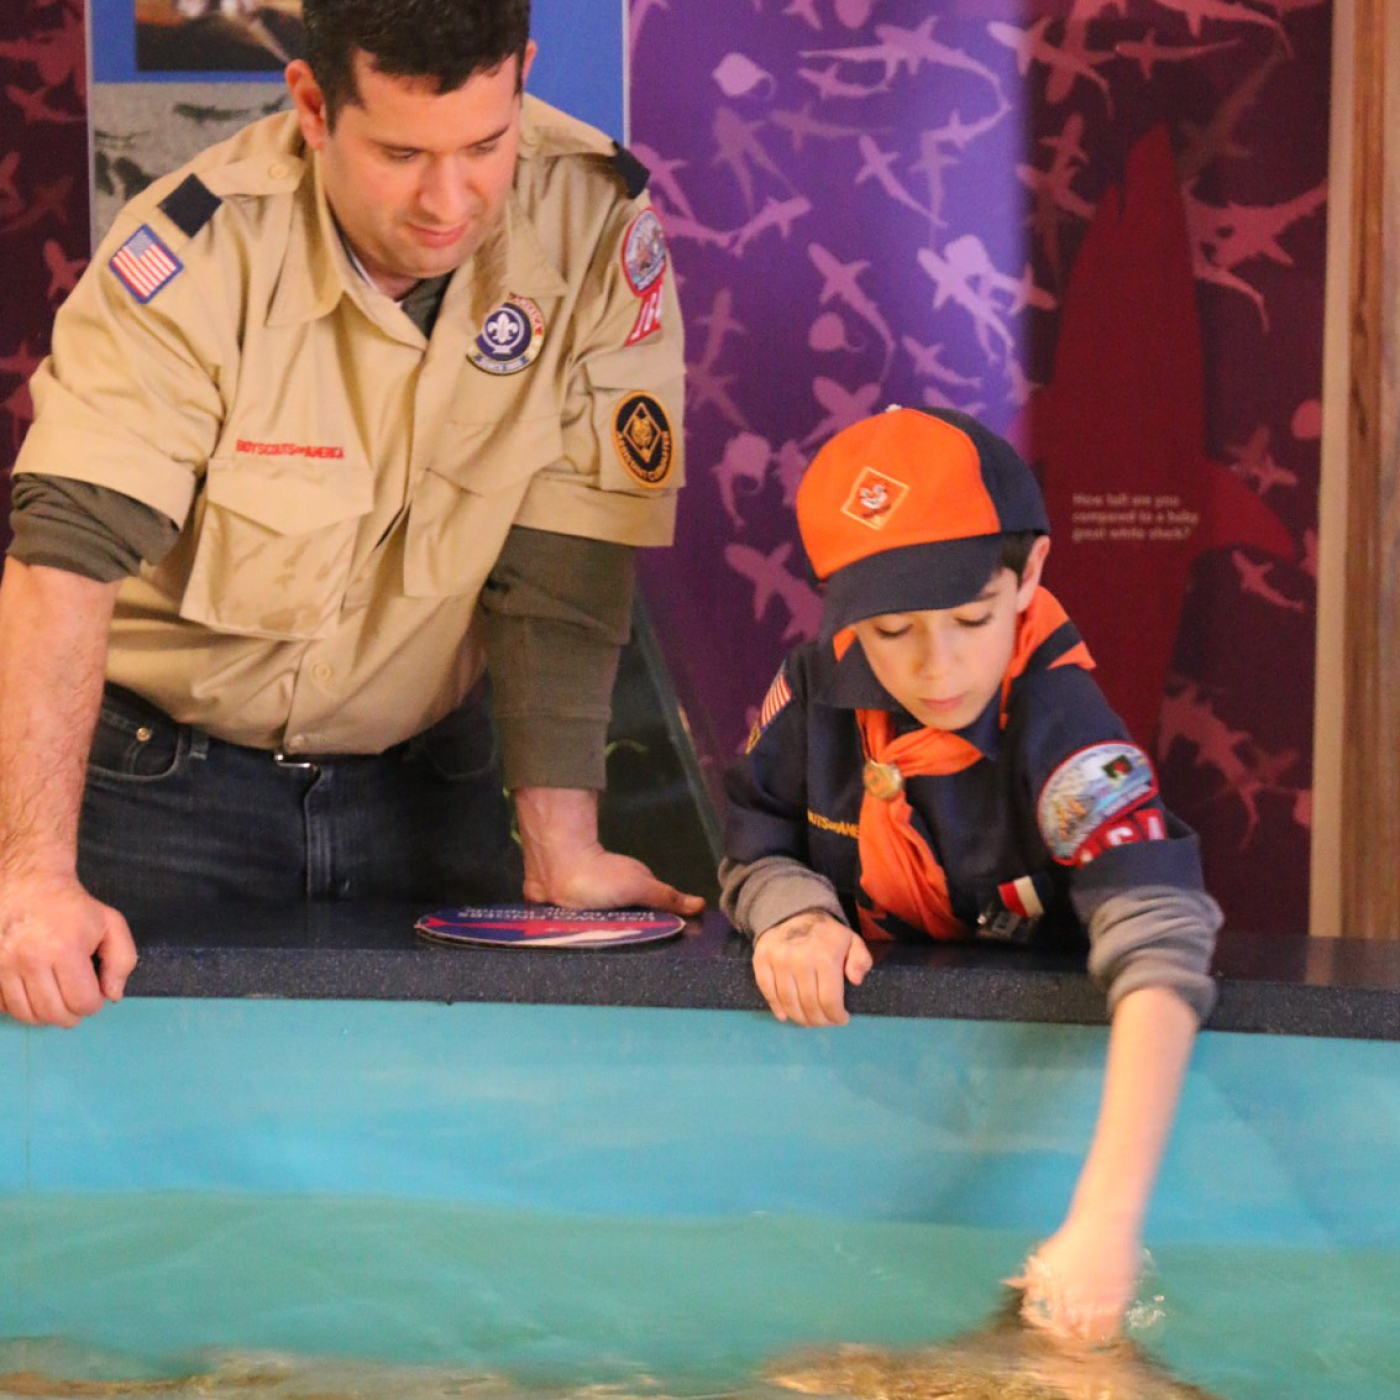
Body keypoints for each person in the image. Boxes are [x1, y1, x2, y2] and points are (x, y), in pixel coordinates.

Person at [0, 0, 702, 1030]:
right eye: (402, 155)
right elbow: (64, 562)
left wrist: (562, 845)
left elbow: (564, 564)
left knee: (444, 1106)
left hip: (429, 783)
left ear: (523, 74)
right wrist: (31, 876)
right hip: (162, 789)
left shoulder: (593, 221)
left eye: (485, 145)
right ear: (314, 105)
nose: (448, 201)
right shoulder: (196, 253)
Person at [720, 406, 1220, 1345]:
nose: (937, 664)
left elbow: (1159, 938)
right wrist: (793, 914)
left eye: (973, 619)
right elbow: (755, 839)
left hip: (1052, 1104)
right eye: (892, 628)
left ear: (1029, 574)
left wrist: (1106, 1220)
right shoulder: (817, 689)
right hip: (880, 1103)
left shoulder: (1063, 724)